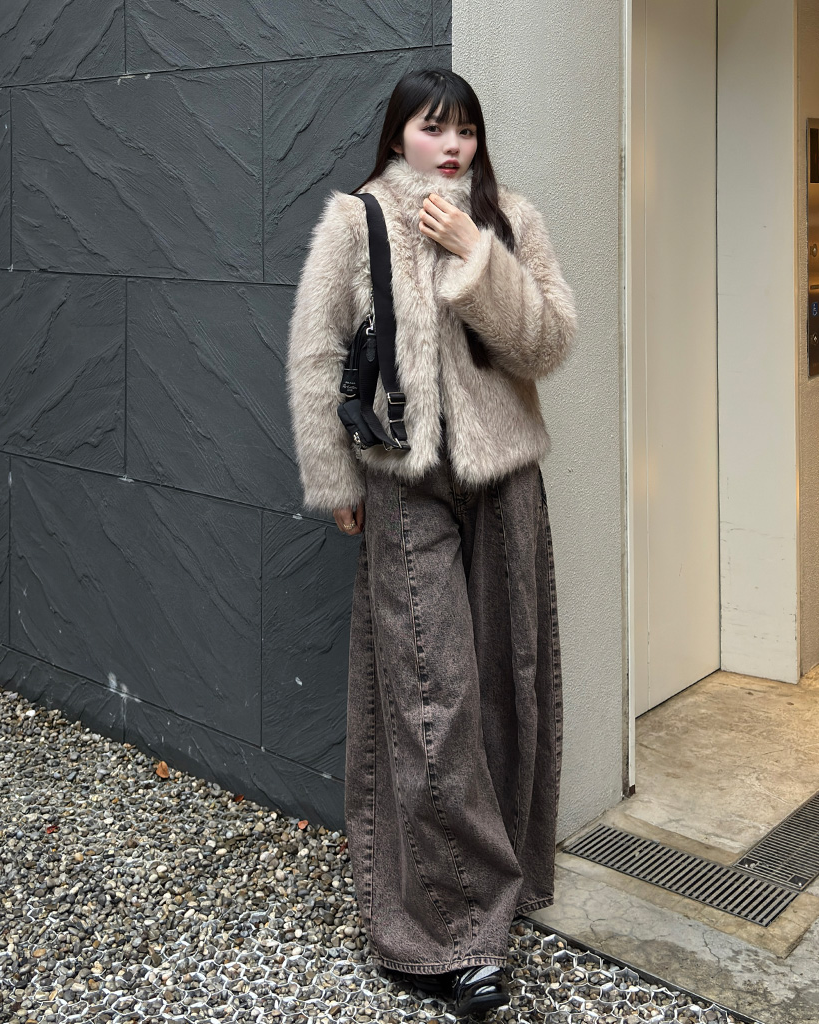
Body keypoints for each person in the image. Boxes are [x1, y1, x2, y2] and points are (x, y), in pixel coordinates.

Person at [286, 68, 577, 1017]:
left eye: (465, 131)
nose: (451, 147)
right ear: (397, 136)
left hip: (506, 480)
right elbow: (318, 354)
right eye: (431, 128)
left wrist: (476, 255)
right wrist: (336, 481)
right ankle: (452, 934)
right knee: (430, 696)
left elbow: (547, 344)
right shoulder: (356, 221)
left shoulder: (510, 217)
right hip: (404, 483)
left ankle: (508, 880)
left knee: (508, 675)